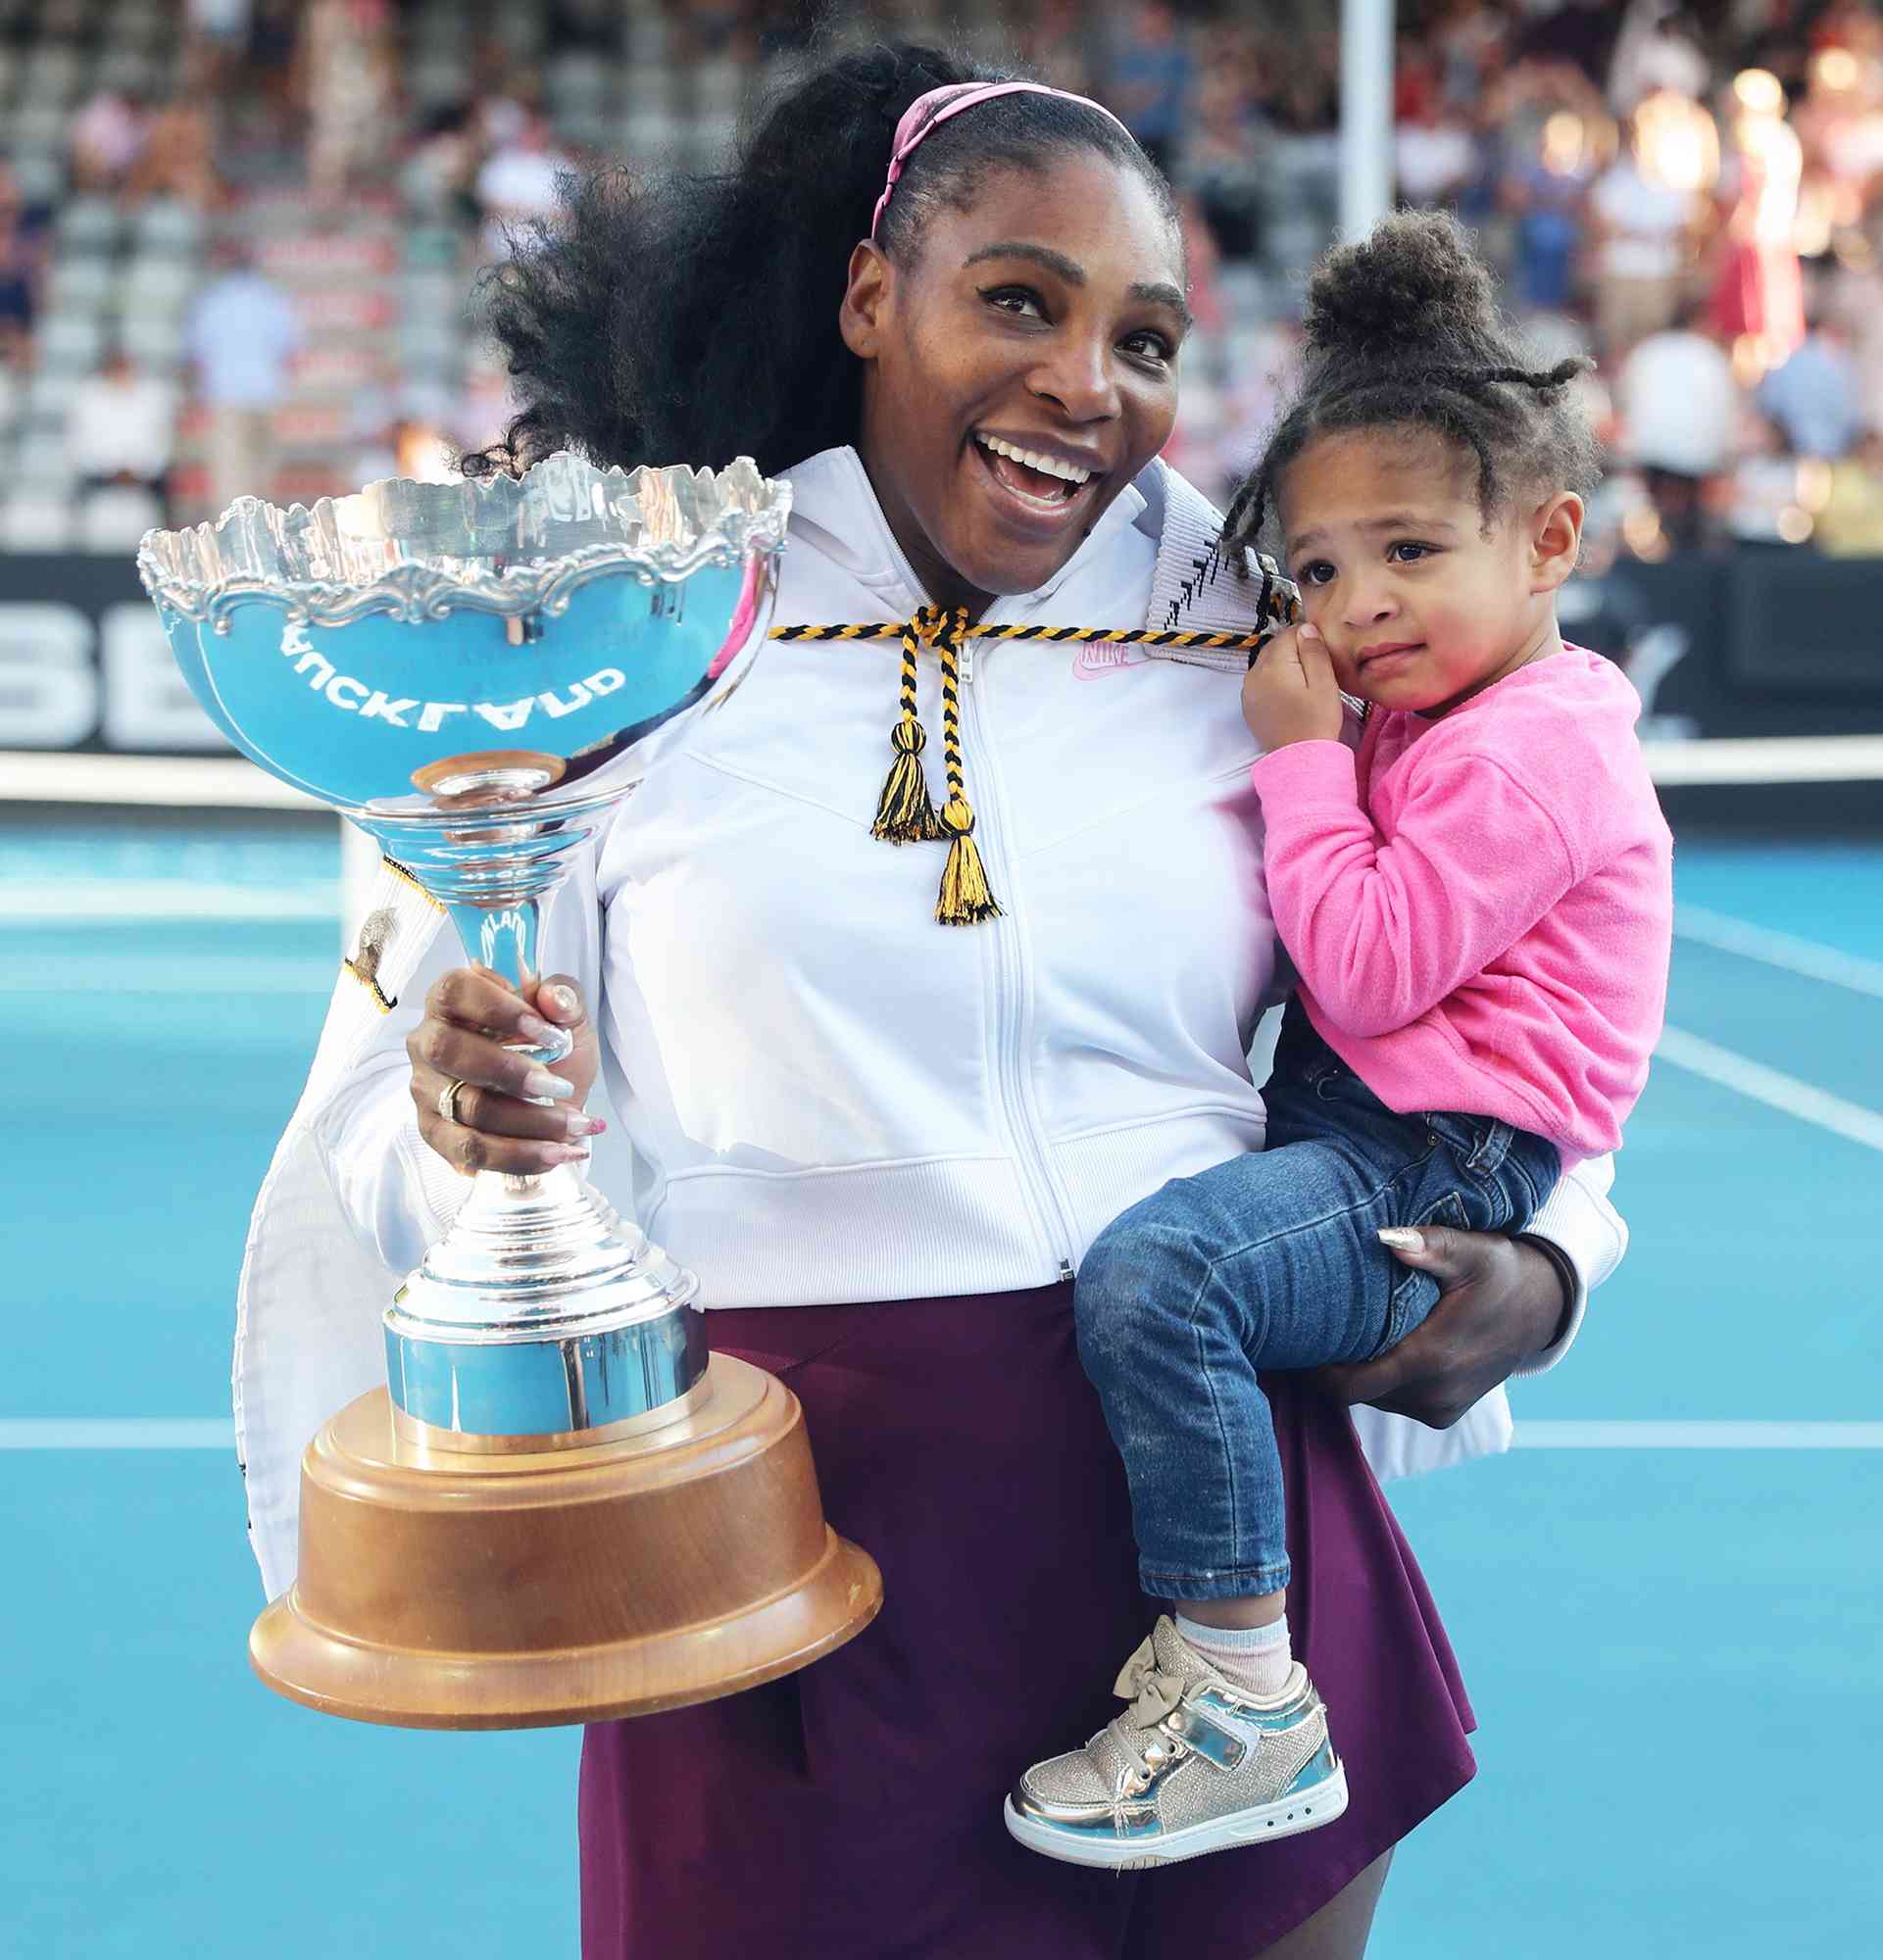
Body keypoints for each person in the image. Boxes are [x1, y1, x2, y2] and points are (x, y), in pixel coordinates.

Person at [241, 44, 1628, 1959]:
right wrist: (473, 1128)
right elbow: (411, 1133)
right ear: (869, 296)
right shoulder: (619, 623)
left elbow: (1532, 941)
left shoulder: (1260, 625)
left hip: (1219, 1569)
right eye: (1018, 301)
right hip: (796, 1553)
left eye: (1145, 337)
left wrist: (1551, 1260)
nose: (1086, 382)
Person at [1012, 213, 1671, 1871]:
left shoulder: (1525, 752)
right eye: (1314, 571)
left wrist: (1300, 757)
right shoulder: (1459, 711)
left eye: (1407, 553)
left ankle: (1241, 1693)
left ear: (1547, 540)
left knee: (1168, 1280)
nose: (1355, 607)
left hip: (1427, 1157)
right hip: (1377, 1125)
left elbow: (1370, 971)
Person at [186, 241, 302, 514]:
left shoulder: (211, 301)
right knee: (263, 474)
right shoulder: (273, 299)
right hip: (266, 392)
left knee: (230, 475)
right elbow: (290, 352)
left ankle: (234, 539)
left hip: (226, 394)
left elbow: (197, 355)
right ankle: (266, 532)